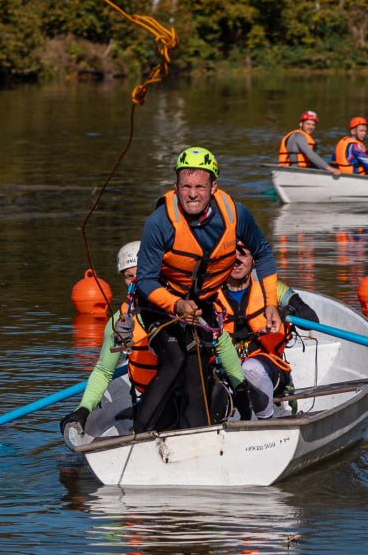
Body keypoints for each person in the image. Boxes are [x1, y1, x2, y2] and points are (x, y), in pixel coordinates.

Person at [131, 147, 282, 433]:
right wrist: (176, 305)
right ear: (175, 187)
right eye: (185, 186)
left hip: (202, 306)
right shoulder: (159, 223)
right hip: (159, 305)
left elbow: (262, 253)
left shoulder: (236, 215)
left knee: (197, 373)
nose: (192, 194)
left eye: (200, 186)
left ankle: (196, 436)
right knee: (175, 358)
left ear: (213, 186)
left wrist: (271, 303)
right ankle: (137, 435)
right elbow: (145, 280)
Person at [60, 240, 246, 443]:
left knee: (212, 397)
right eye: (128, 276)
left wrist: (241, 390)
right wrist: (83, 410)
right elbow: (104, 371)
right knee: (162, 415)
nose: (135, 281)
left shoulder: (186, 309)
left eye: (139, 274)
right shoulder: (120, 322)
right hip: (157, 400)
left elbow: (224, 346)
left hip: (200, 395)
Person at [214, 242, 320, 421]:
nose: (237, 261)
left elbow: (311, 320)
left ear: (253, 260)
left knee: (251, 369)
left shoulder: (274, 289)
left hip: (268, 368)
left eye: (243, 255)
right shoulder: (209, 292)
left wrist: (285, 311)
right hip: (224, 371)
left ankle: (266, 423)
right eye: (231, 255)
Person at [277, 110, 341, 174]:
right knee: (331, 167)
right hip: (293, 171)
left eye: (313, 125)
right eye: (308, 124)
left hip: (303, 169)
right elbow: (310, 154)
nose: (311, 127)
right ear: (301, 124)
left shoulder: (306, 137)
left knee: (335, 166)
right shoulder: (298, 136)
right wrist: (330, 169)